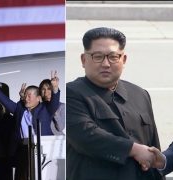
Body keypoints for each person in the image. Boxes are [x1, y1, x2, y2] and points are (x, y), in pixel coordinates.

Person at [66, 27, 164, 180]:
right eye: (98, 56)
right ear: (84, 60)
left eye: (113, 57)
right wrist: (134, 149)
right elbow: (86, 135)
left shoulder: (140, 94)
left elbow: (152, 148)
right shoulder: (71, 93)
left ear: (123, 59)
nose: (106, 64)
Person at [0, 72, 60, 180]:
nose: (26, 98)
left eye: (29, 95)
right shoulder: (19, 109)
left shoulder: (45, 109)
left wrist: (55, 88)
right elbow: (6, 101)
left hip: (42, 149)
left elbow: (54, 103)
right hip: (23, 149)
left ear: (38, 98)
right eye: (25, 95)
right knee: (22, 176)